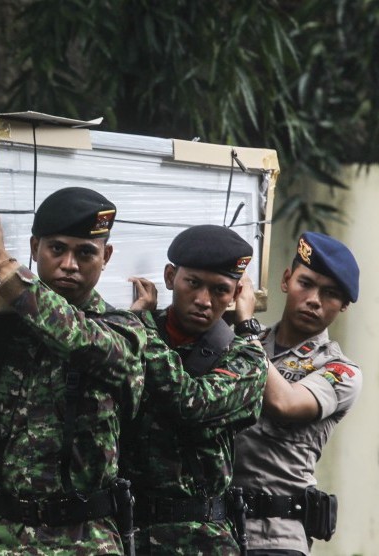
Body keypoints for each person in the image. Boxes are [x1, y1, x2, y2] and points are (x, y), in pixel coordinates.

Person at [0, 187, 181, 555]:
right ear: (35, 246)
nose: (70, 264)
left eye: (85, 252)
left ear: (106, 256)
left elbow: (78, 340)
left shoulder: (123, 329)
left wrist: (2, 265)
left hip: (79, 539)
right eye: (57, 249)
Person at [121, 224, 269, 554]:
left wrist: (138, 327)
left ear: (234, 294)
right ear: (171, 277)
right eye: (193, 284)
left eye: (219, 290)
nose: (203, 300)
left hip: (197, 539)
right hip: (125, 530)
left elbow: (190, 404)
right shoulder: (136, 333)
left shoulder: (244, 358)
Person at [232, 231, 361, 555]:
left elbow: (283, 403)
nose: (314, 299)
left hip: (275, 537)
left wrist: (244, 327)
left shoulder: (340, 371)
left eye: (330, 293)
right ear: (286, 279)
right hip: (214, 531)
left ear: (343, 306)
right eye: (306, 283)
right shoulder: (246, 341)